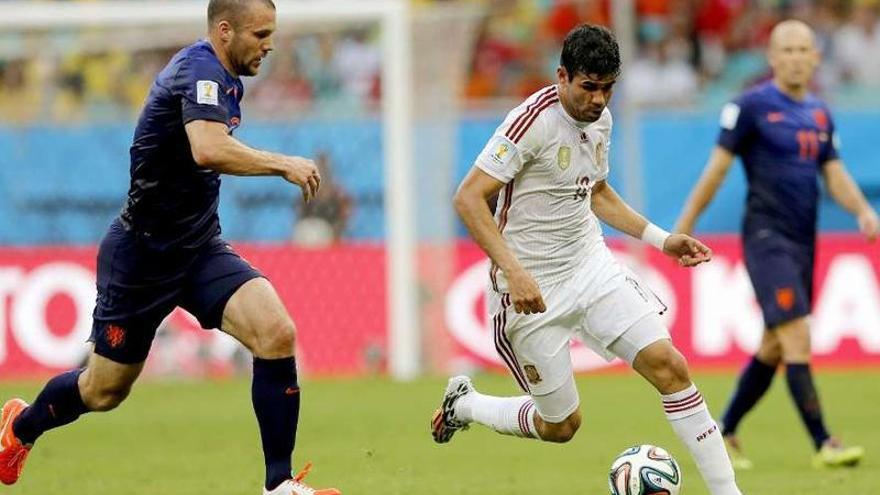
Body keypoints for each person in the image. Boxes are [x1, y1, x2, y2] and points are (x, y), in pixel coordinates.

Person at [0, 1, 340, 494]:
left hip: (199, 249)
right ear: (225, 31)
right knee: (103, 390)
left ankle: (279, 485)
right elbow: (207, 147)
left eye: (273, 33)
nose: (270, 44)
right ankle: (20, 426)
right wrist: (281, 163)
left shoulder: (225, 78)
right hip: (141, 257)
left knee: (276, 333)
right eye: (260, 33)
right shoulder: (199, 69)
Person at [432, 24, 743, 495]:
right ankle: (467, 405)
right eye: (589, 87)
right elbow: (469, 198)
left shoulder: (602, 120)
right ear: (562, 76)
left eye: (608, 88)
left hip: (590, 267)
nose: (598, 100)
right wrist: (514, 271)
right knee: (562, 425)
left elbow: (595, 191)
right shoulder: (529, 123)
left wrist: (662, 240)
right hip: (530, 294)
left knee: (670, 366)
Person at [675, 19, 877, 470]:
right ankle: (825, 442)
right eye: (786, 49)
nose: (795, 57)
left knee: (774, 345)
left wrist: (863, 210)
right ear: (771, 57)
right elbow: (716, 171)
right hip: (766, 238)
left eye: (804, 49)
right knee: (797, 334)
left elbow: (835, 173)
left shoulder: (821, 114)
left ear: (816, 56)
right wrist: (682, 228)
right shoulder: (750, 107)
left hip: (805, 242)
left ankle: (723, 431)